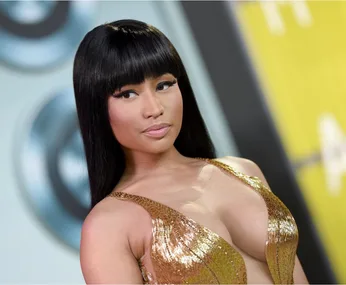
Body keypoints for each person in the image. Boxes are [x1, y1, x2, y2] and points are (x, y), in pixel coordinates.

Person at [73, 19, 309, 284]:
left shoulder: (244, 171)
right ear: (97, 108)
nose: (154, 108)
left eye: (164, 85)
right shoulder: (108, 225)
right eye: (128, 94)